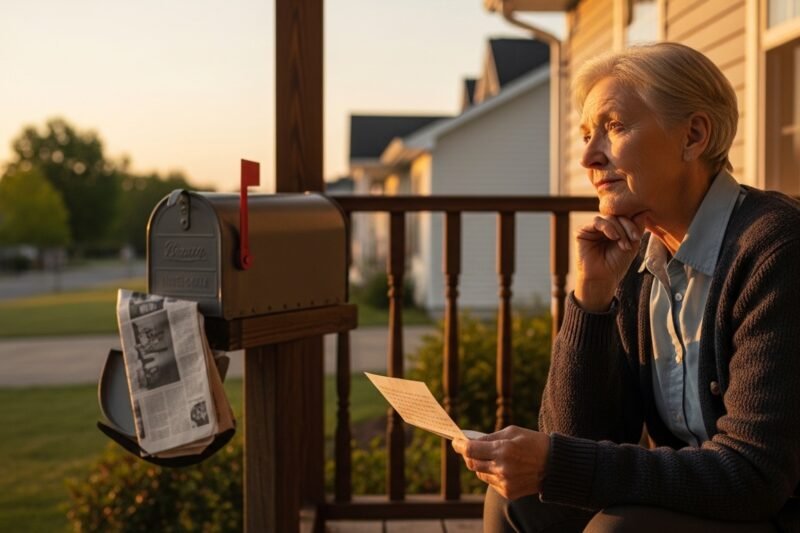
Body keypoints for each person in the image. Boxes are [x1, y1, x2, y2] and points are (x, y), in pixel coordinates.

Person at [452, 42, 800, 532]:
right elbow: (577, 438)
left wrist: (556, 461)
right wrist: (591, 299)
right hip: (709, 499)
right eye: (587, 134)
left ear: (693, 136)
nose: (589, 157)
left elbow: (756, 473)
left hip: (774, 508)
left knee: (621, 529)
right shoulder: (642, 258)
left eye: (613, 127)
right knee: (515, 503)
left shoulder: (774, 247)